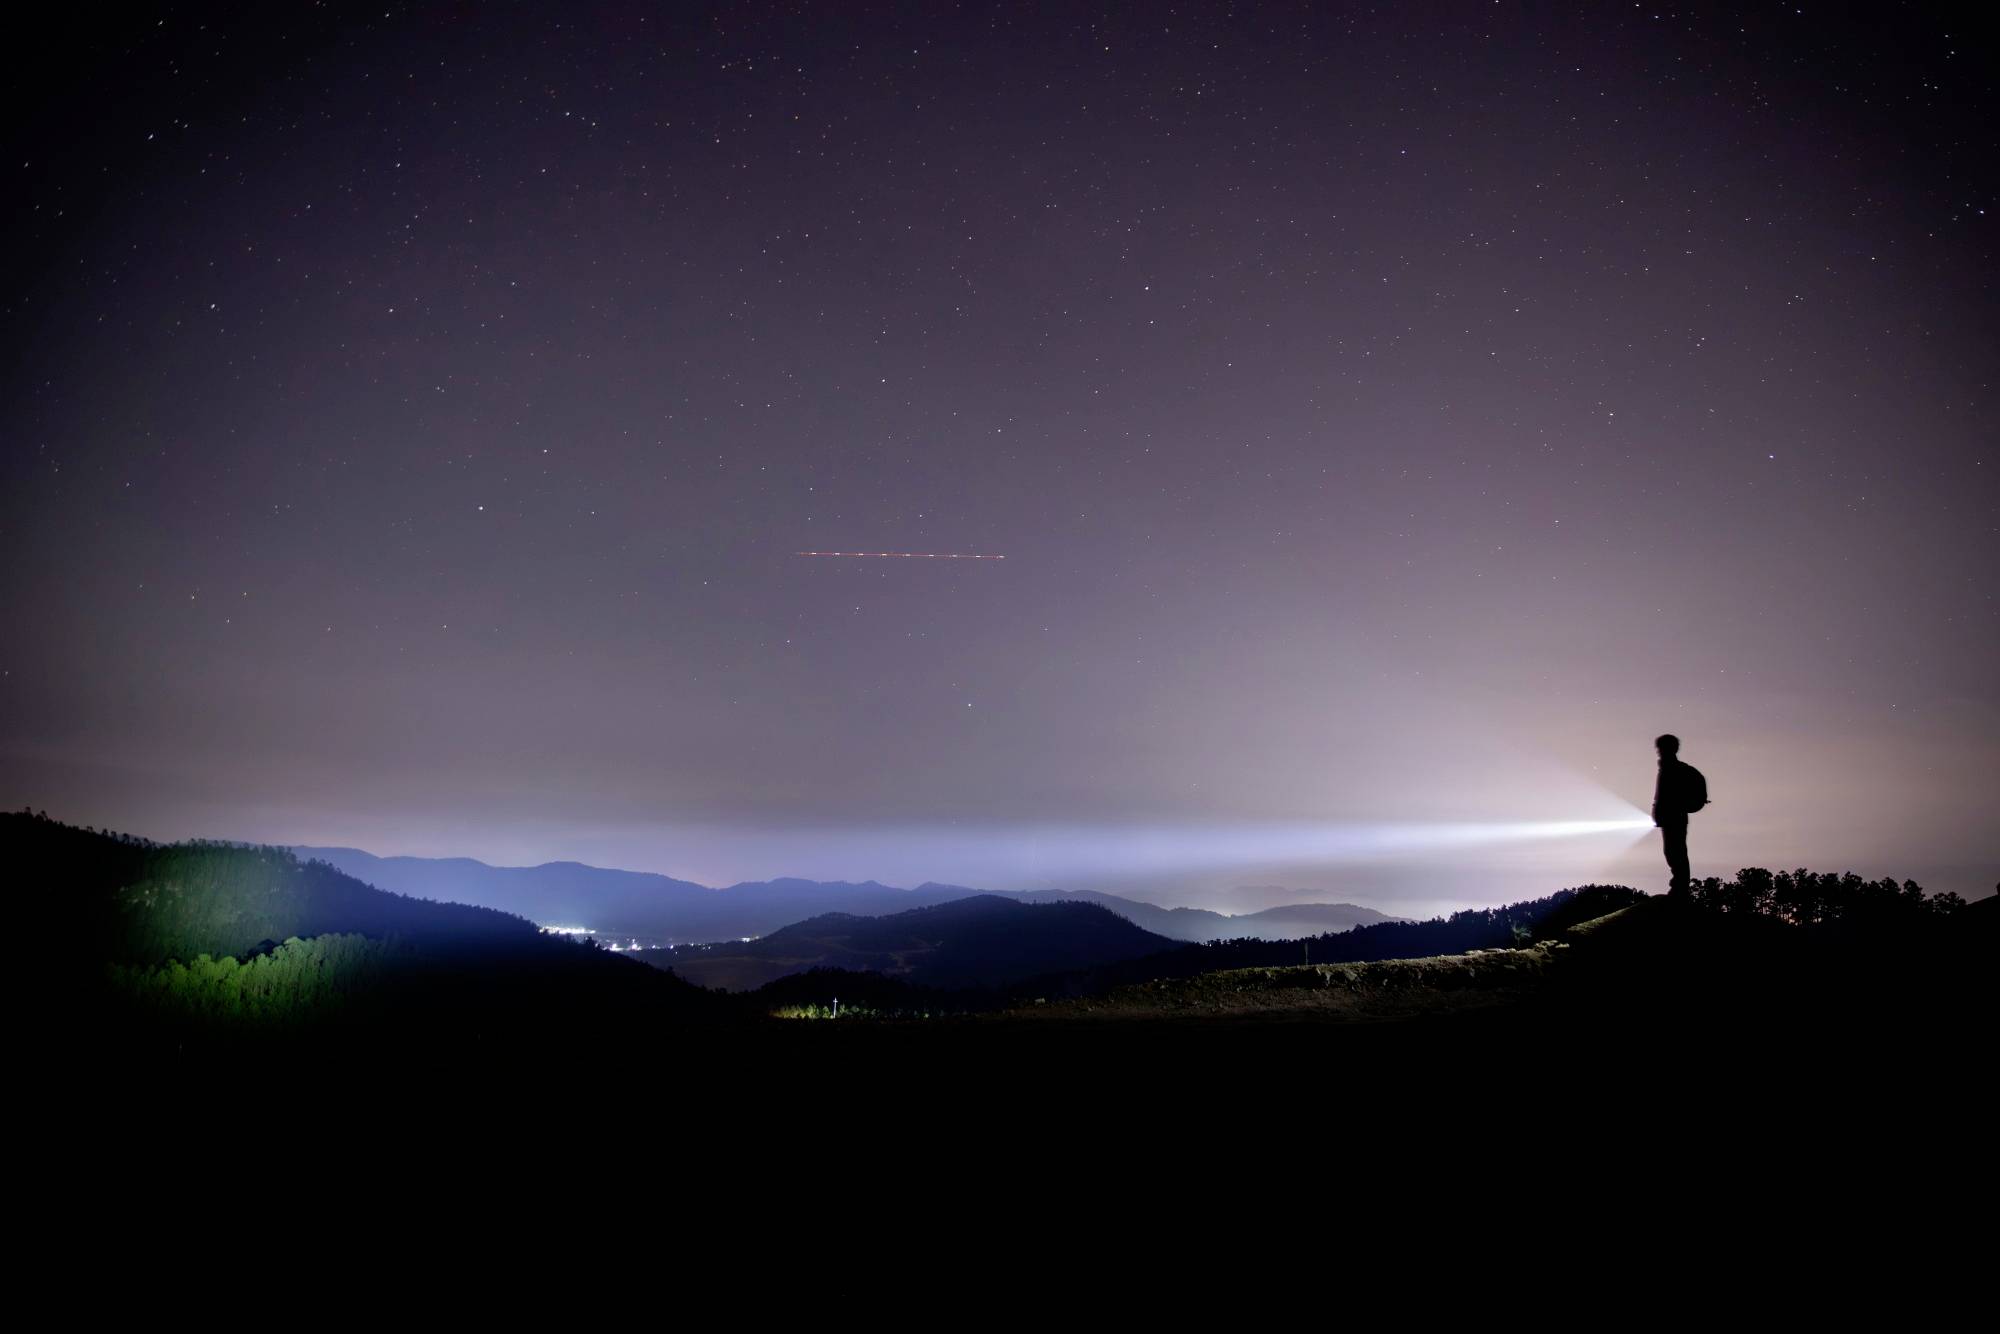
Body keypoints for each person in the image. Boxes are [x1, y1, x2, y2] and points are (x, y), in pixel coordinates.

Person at [1651, 734, 1697, 898]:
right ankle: (1679, 886)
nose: (1658, 751)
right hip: (1670, 817)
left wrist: (1660, 810)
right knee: (1672, 851)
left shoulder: (1673, 769)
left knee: (1675, 852)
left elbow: (1664, 795)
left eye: (1661, 747)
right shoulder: (1668, 768)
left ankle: (1680, 887)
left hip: (1674, 817)